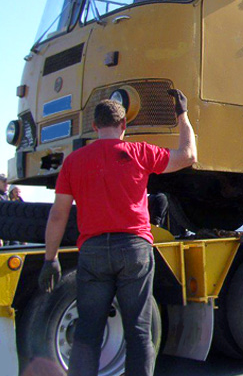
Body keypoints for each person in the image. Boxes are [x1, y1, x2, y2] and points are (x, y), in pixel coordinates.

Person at [39, 90, 197, 376]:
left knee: (87, 332)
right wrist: (182, 115)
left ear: (95, 127)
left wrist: (50, 259)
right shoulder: (139, 153)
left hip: (93, 251)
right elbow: (188, 156)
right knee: (138, 331)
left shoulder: (74, 162)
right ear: (124, 125)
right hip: (134, 248)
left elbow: (58, 214)